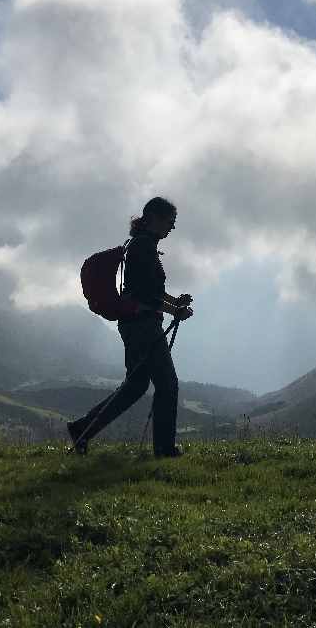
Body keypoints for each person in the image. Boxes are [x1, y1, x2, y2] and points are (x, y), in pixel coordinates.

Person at [67, 196, 193, 458]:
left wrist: (174, 302)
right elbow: (147, 296)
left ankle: (82, 428)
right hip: (144, 326)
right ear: (154, 219)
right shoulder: (143, 248)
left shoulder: (137, 245)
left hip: (133, 324)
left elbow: (147, 291)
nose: (171, 227)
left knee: (136, 385)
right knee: (167, 385)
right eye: (170, 221)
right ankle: (164, 449)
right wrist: (176, 310)